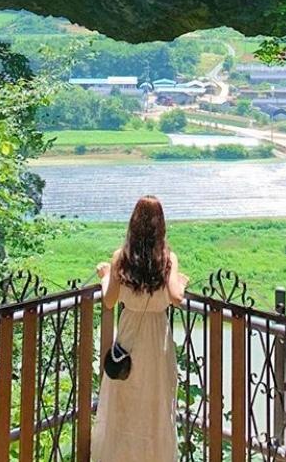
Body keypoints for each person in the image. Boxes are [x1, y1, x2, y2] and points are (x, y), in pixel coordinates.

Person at [92, 196, 188, 462]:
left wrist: (106, 277)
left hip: (129, 335)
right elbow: (177, 297)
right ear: (161, 226)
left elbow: (110, 301)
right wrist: (180, 281)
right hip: (157, 339)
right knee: (155, 401)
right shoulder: (168, 259)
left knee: (124, 400)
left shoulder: (120, 258)